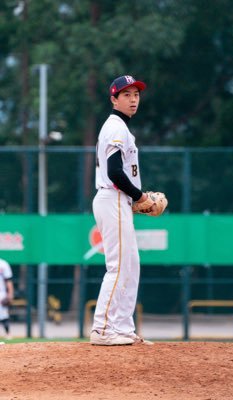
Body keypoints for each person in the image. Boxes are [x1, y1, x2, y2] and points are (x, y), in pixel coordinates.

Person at [90, 75, 154, 346]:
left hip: (119, 200)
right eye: (126, 94)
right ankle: (102, 329)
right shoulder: (115, 127)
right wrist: (140, 196)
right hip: (112, 197)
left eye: (136, 94)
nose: (133, 99)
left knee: (131, 265)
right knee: (118, 267)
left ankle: (122, 328)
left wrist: (134, 199)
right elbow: (115, 171)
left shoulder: (121, 129)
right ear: (114, 99)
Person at [0, 258, 14, 340]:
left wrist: (10, 294)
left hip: (1, 292)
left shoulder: (3, 264)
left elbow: (8, 280)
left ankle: (8, 333)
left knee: (3, 314)